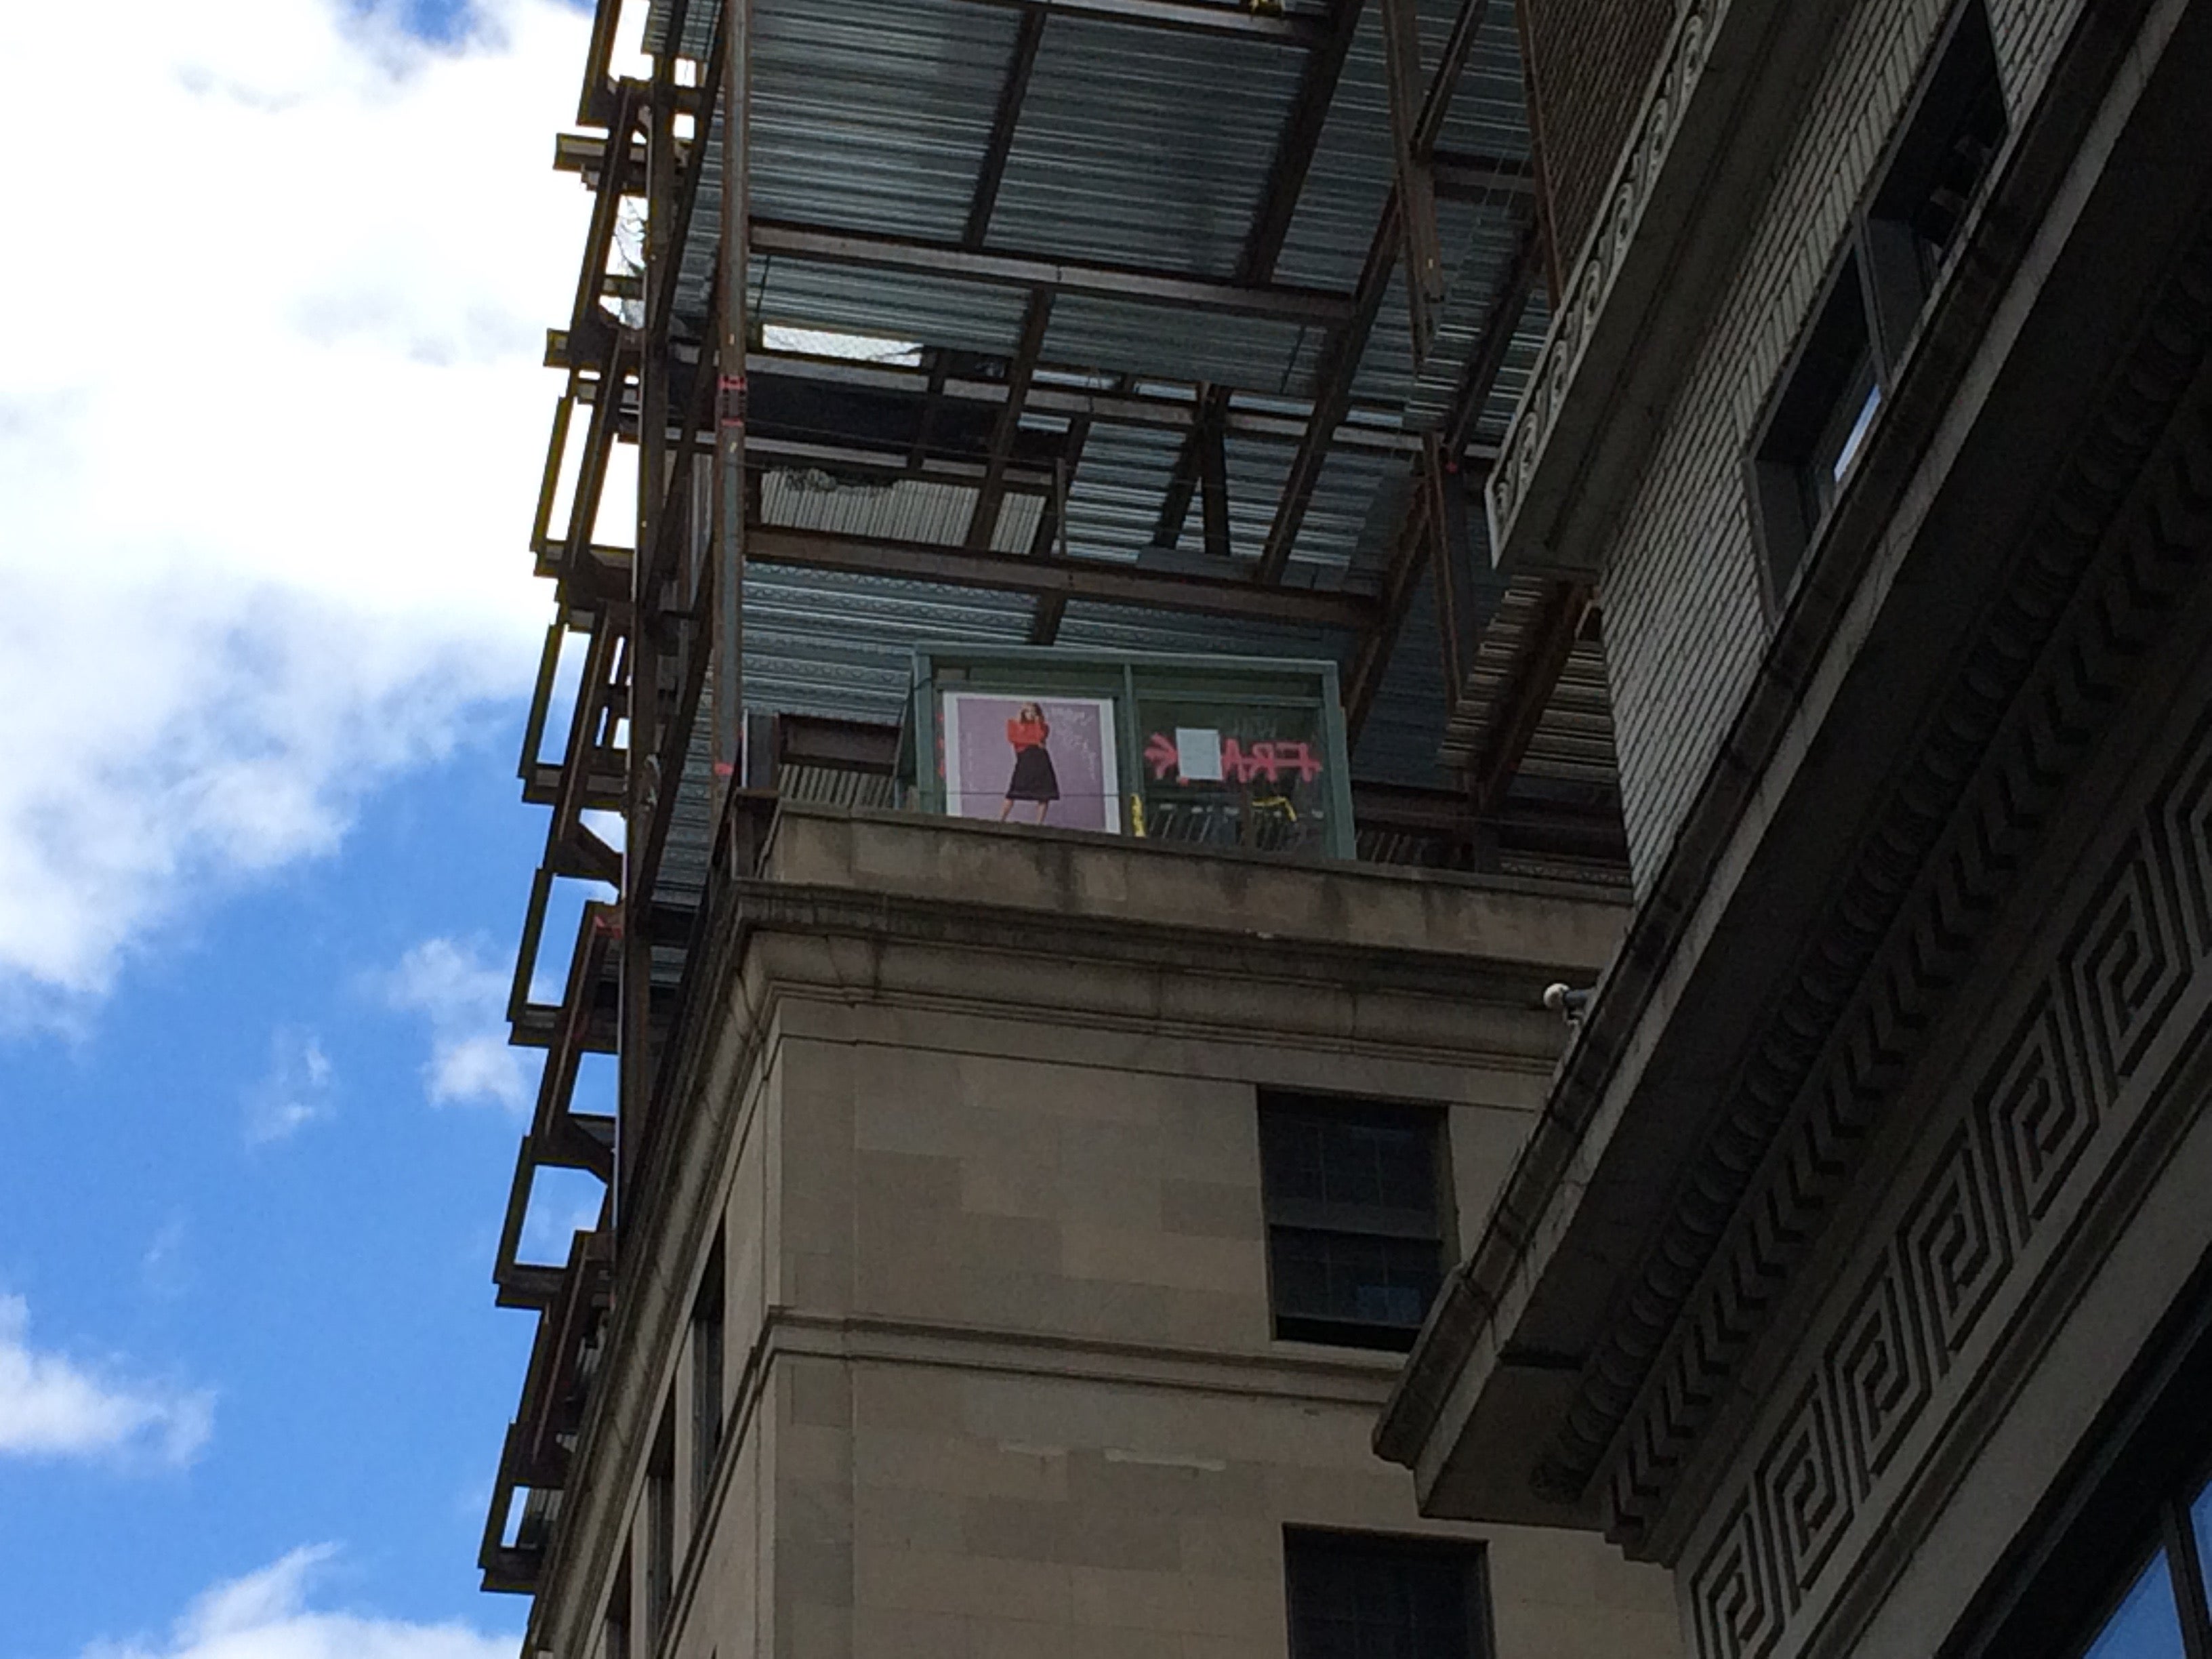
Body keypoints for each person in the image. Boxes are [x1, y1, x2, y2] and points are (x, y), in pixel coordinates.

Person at [1000, 701, 1059, 824]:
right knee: (1013, 792)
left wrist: (1038, 723)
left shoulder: (1043, 726)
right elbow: (1014, 738)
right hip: (1025, 759)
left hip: (1040, 760)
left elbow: (1040, 737)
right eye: (1027, 711)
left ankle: (1039, 823)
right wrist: (1034, 741)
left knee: (1044, 794)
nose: (1030, 714)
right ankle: (1001, 819)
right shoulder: (1014, 724)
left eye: (1033, 712)